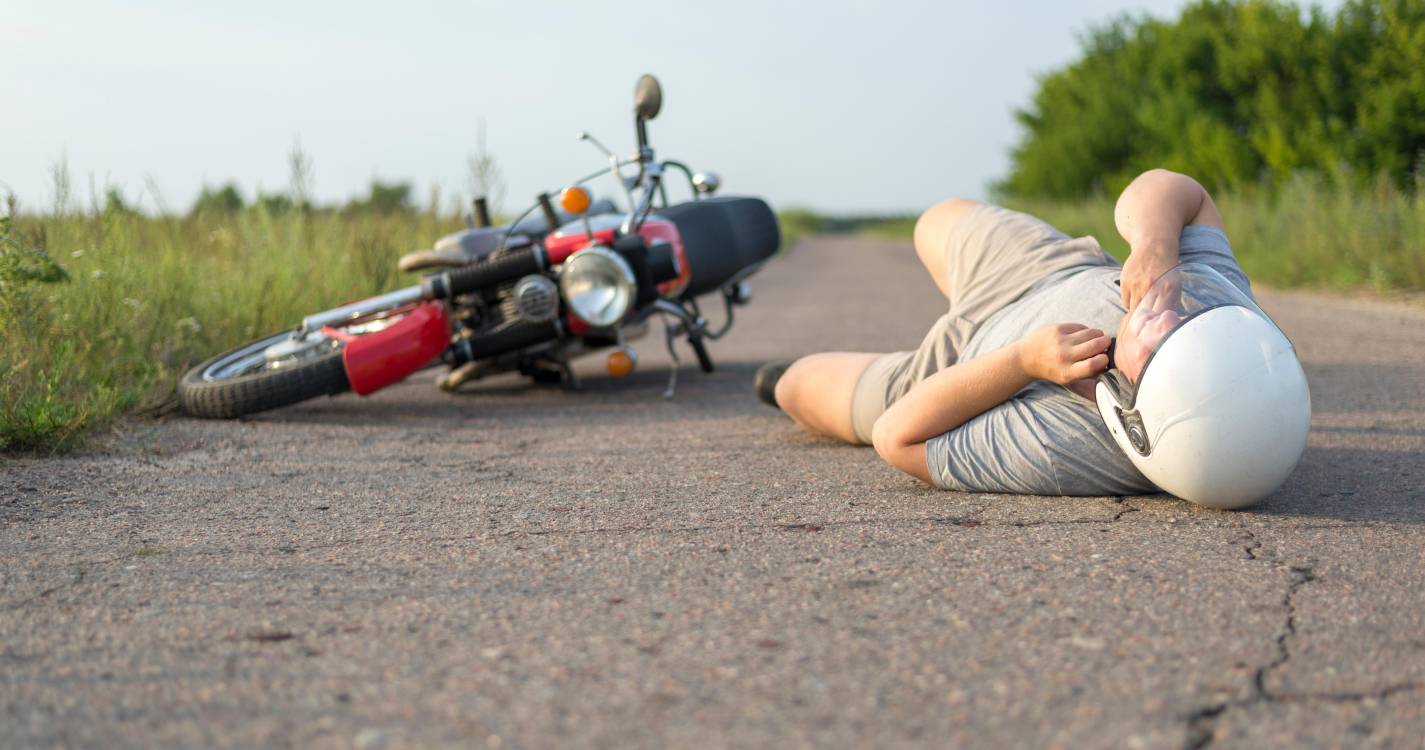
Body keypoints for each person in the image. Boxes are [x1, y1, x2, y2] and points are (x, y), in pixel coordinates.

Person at [756, 169, 1258, 496]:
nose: (1167, 317)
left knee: (794, 387)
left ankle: (781, 382)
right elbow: (1181, 191)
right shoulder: (1218, 308)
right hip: (1043, 269)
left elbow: (896, 437)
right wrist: (1154, 242)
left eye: (1162, 345)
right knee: (937, 219)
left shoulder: (1079, 450)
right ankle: (964, 292)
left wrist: (1021, 362)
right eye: (1189, 324)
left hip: (957, 368)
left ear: (1139, 416)